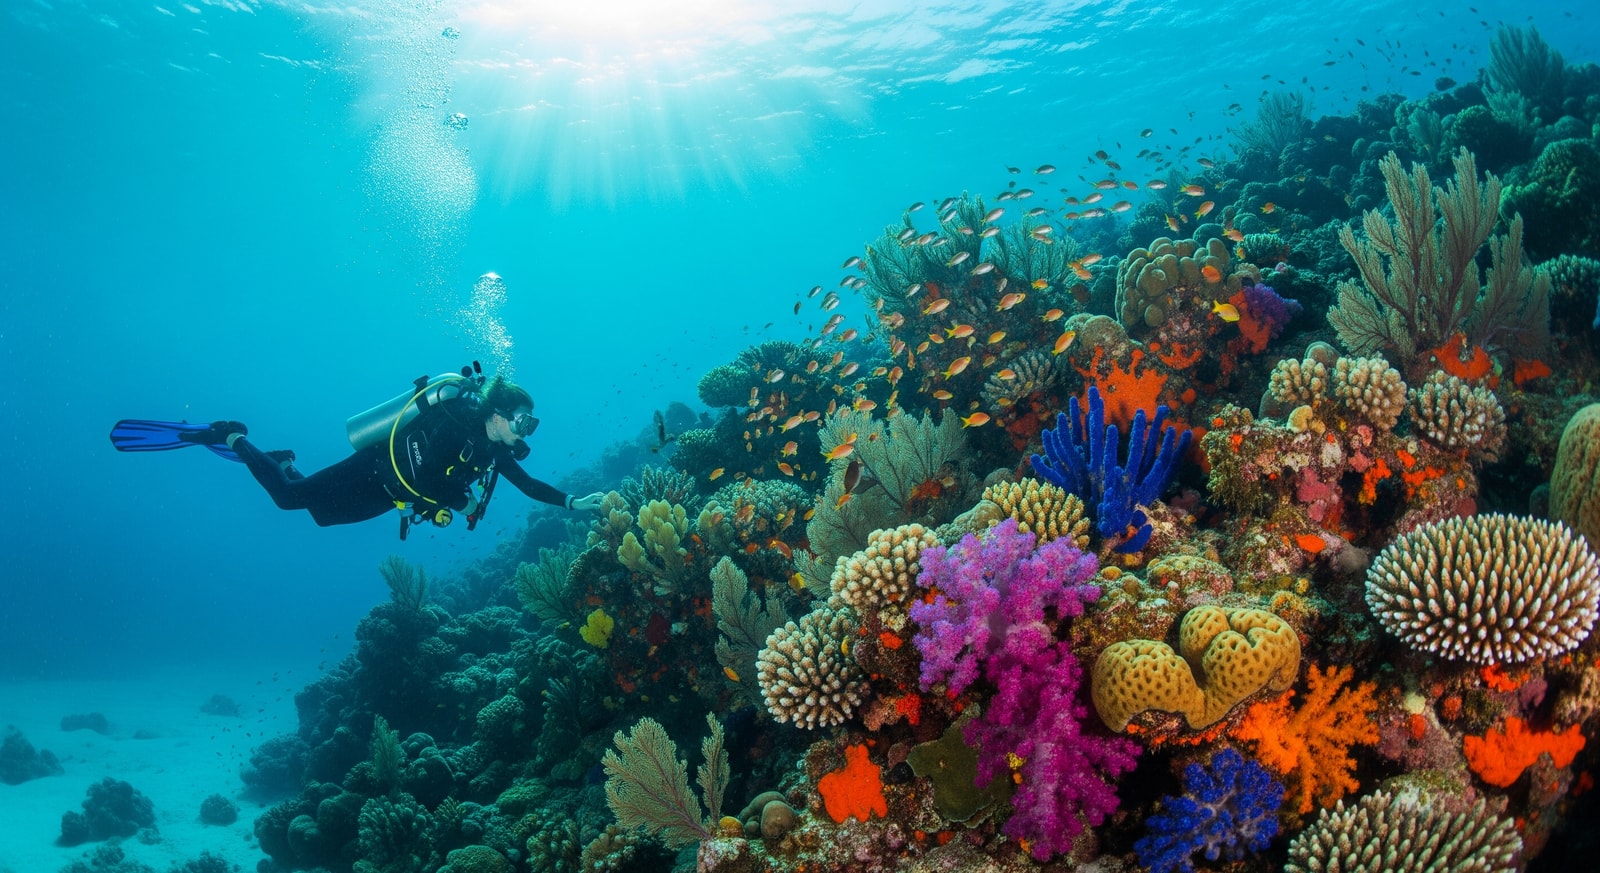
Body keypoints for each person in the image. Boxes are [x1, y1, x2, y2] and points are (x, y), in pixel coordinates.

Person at [113, 373, 604, 529]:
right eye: (523, 421)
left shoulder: (494, 451)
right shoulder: (457, 427)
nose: (527, 431)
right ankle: (232, 436)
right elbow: (434, 479)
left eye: (530, 424)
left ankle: (281, 460)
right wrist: (464, 502)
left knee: (320, 517)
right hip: (376, 467)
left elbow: (529, 484)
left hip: (392, 494)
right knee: (290, 498)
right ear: (497, 413)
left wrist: (570, 502)